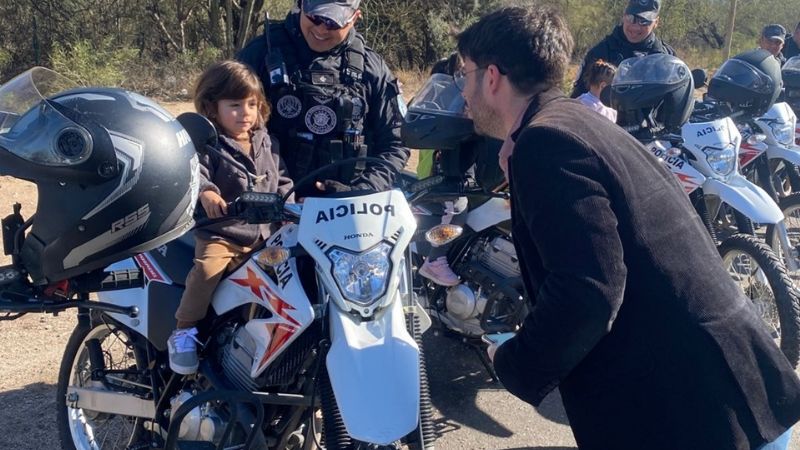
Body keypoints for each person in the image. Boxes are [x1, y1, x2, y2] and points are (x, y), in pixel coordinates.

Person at [457, 6, 800, 449]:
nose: (462, 91)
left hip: (698, 413)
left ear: (491, 77)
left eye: (464, 74)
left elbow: (588, 291)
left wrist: (513, 361)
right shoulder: (570, 124)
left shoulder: (546, 143)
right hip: (730, 390)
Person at [168, 60, 294, 375]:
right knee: (207, 270)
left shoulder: (268, 141)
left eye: (251, 104)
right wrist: (207, 194)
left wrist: (293, 205)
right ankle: (184, 330)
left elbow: (282, 181)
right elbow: (196, 174)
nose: (245, 113)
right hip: (222, 234)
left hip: (264, 235)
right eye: (234, 105)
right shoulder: (209, 145)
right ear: (212, 108)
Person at [237, 0, 408, 198]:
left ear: (355, 17)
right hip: (269, 204)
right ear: (300, 5)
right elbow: (223, 129)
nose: (322, 29)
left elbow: (396, 143)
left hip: (350, 210)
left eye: (333, 22)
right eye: (315, 18)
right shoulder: (259, 55)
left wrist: (363, 190)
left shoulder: (372, 68)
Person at [571, 0, 674, 98]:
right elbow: (578, 101)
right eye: (631, 18)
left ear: (656, 22)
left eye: (644, 22)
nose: (635, 27)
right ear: (624, 15)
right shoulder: (600, 52)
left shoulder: (667, 59)